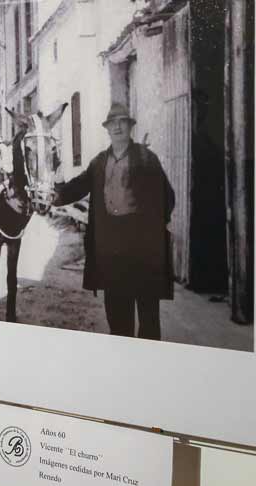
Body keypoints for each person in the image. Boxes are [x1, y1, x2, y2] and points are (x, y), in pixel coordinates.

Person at [53, 103, 175, 340]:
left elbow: (167, 197)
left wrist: (150, 229)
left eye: (122, 122)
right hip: (112, 251)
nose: (117, 127)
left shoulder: (146, 158)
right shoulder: (99, 162)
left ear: (130, 127)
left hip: (143, 250)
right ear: (107, 129)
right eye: (113, 123)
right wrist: (56, 194)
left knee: (148, 318)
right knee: (118, 320)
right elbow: (78, 186)